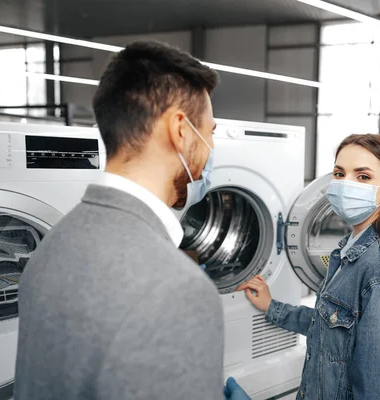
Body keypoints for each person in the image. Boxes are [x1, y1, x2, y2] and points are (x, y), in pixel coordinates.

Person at [14, 41, 231, 399]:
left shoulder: (52, 243)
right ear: (180, 130)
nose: (209, 147)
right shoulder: (179, 289)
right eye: (209, 131)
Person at [238, 134, 380, 400]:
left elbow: (379, 391)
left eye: (363, 177)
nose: (346, 185)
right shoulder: (348, 251)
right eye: (339, 174)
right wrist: (272, 307)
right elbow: (330, 328)